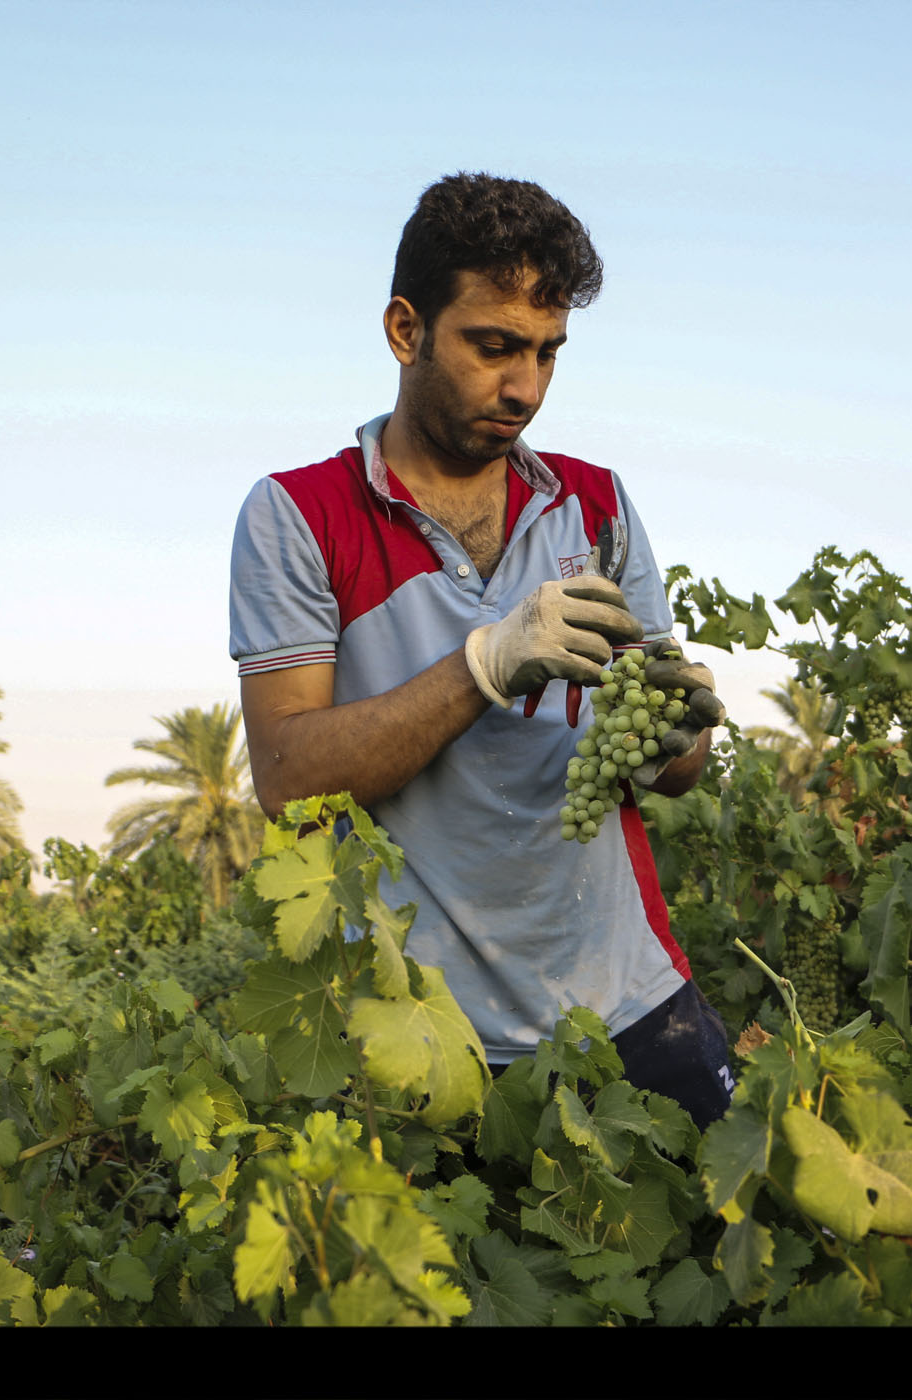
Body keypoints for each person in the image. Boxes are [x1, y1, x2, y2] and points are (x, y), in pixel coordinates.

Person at [227, 172, 735, 1126]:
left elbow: (672, 775)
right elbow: (288, 775)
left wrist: (681, 725)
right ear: (405, 330)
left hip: (631, 999)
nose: (526, 388)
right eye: (494, 347)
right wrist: (483, 666)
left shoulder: (598, 505)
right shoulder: (299, 517)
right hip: (430, 1033)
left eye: (548, 353)